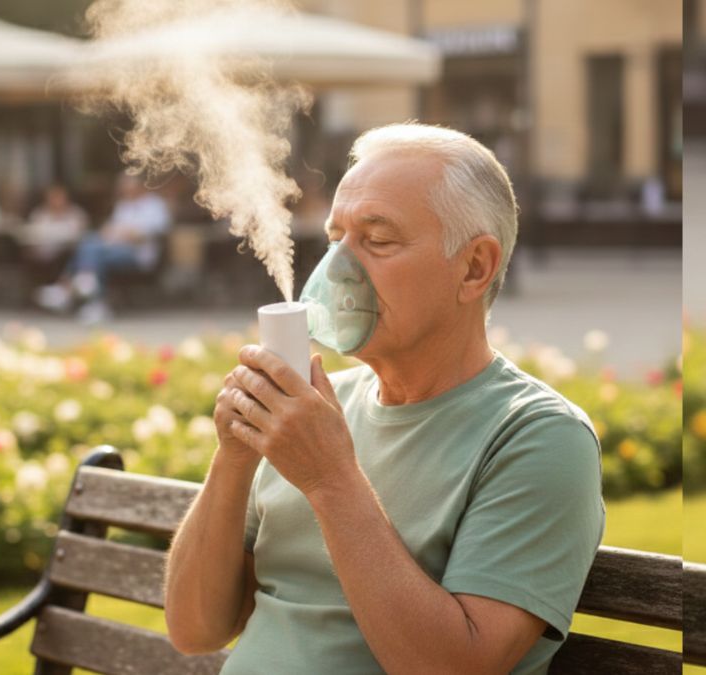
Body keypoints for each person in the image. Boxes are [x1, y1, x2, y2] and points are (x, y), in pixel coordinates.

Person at [164, 123, 605, 674]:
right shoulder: (319, 411)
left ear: (474, 268)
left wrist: (330, 478)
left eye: (377, 241)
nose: (337, 271)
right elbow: (194, 629)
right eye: (335, 239)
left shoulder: (539, 437)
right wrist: (233, 458)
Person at [35, 173, 170, 323]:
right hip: (111, 249)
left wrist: (120, 234)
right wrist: (114, 234)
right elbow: (109, 229)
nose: (124, 191)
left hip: (138, 255)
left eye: (127, 187)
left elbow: (144, 235)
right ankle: (91, 292)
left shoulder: (155, 206)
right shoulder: (123, 205)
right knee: (89, 242)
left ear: (139, 187)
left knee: (92, 251)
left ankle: (68, 289)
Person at [25, 184, 89, 265]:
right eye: (53, 197)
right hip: (43, 253)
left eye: (59, 197)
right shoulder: (38, 214)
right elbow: (32, 235)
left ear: (66, 198)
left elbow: (82, 235)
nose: (56, 200)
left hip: (70, 253)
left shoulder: (77, 214)